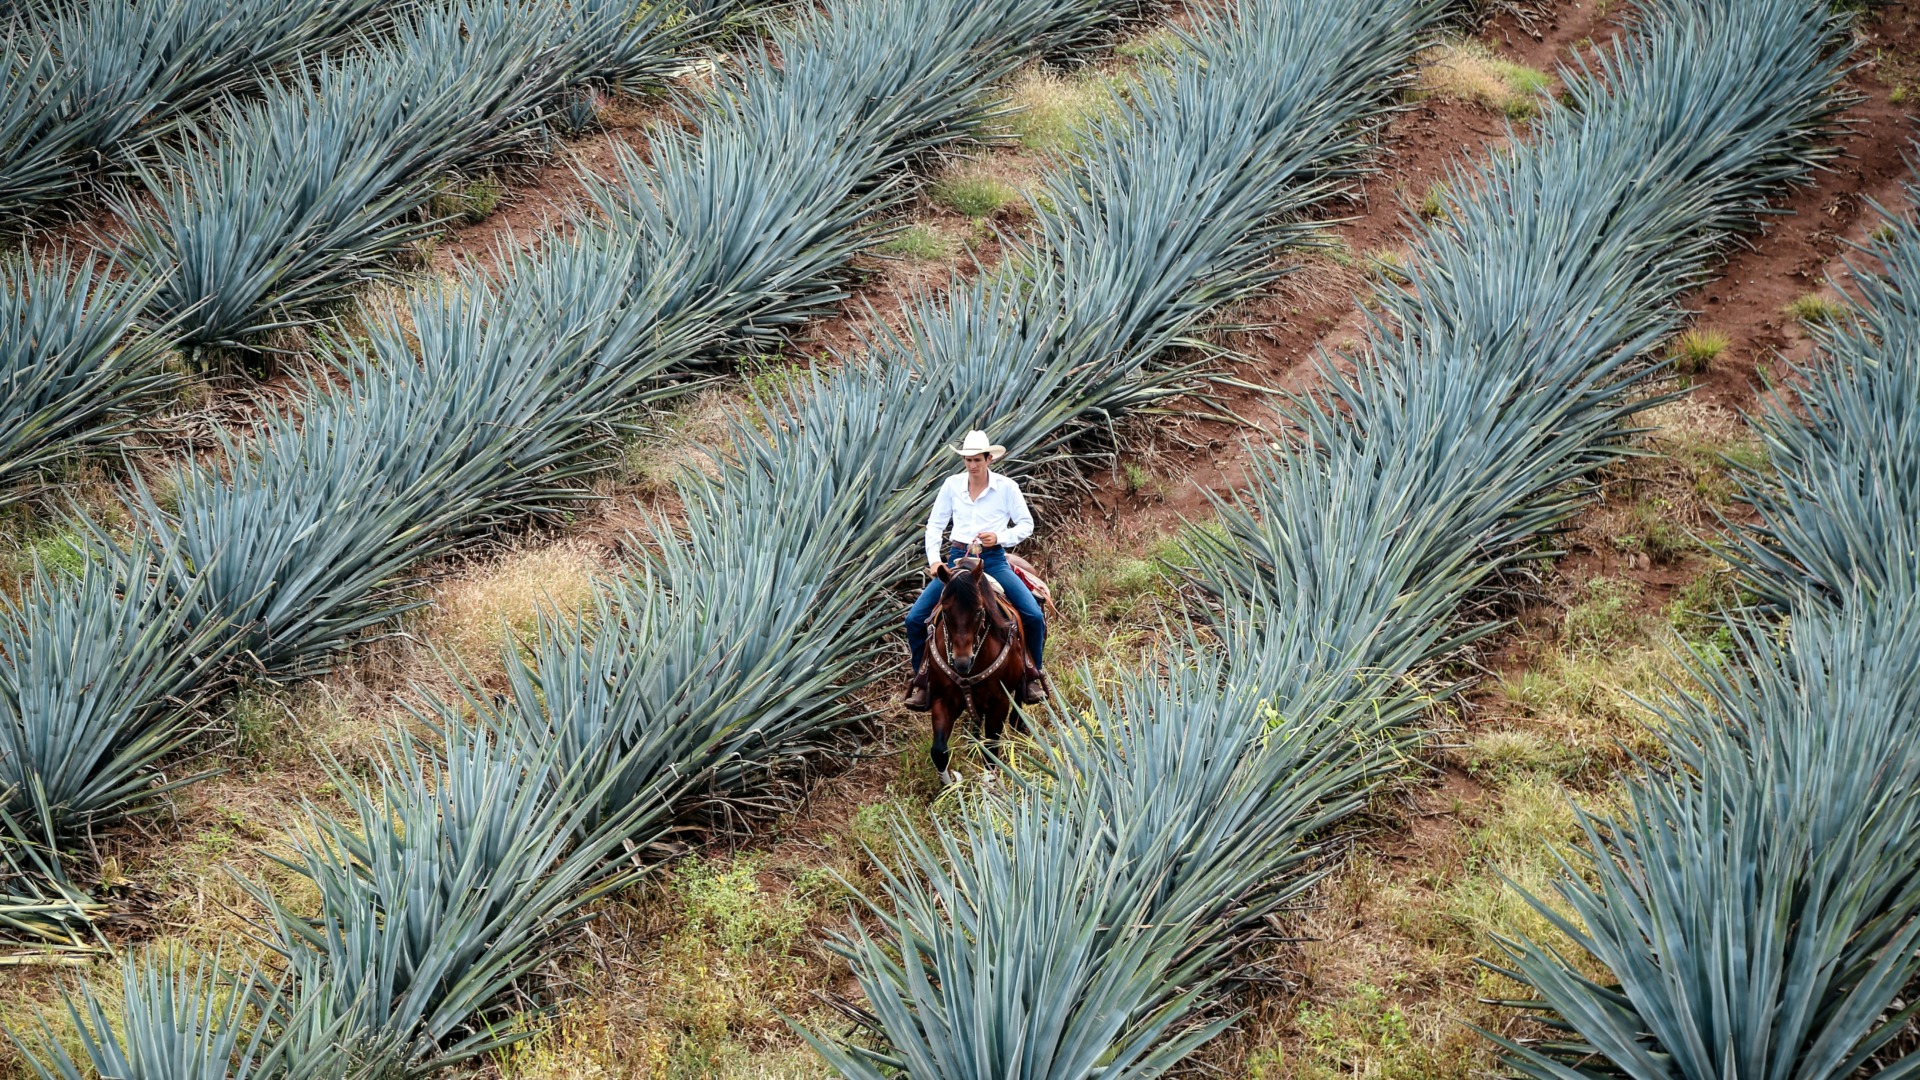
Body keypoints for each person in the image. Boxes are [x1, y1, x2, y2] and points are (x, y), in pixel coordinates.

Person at [904, 430, 1048, 711]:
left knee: (1032, 615)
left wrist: (1000, 537)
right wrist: (935, 560)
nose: (972, 466)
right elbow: (935, 525)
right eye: (968, 460)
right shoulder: (951, 485)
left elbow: (1025, 524)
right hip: (957, 561)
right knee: (914, 619)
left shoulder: (1006, 487)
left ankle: (1032, 675)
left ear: (988, 459)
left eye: (977, 460)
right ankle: (923, 679)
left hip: (993, 561)